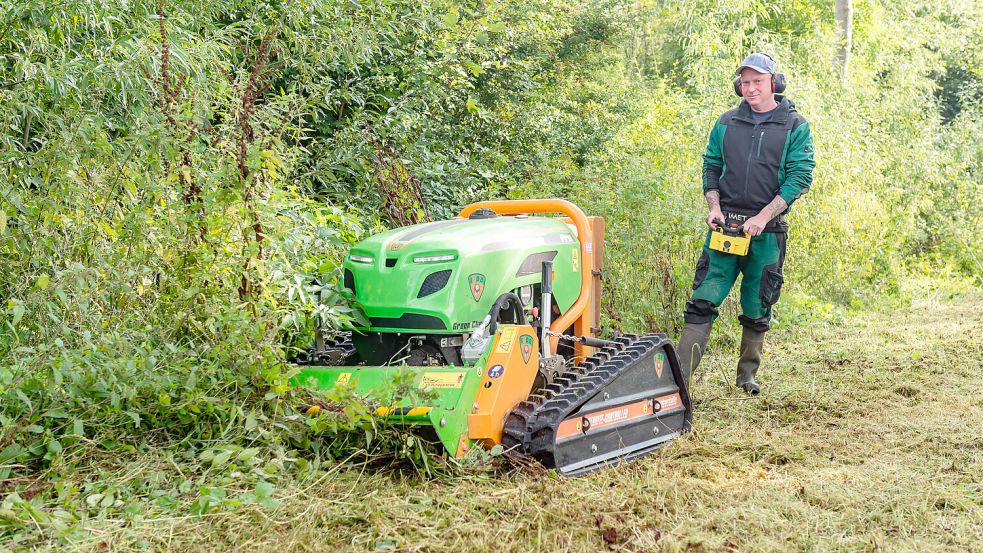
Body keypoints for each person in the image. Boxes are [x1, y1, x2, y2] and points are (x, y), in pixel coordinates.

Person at [677, 53, 815, 394]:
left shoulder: (794, 126)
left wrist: (763, 217)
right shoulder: (727, 122)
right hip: (724, 230)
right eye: (745, 82)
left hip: (767, 234)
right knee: (702, 300)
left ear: (775, 83)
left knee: (758, 305)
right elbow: (711, 165)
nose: (750, 88)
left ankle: (746, 376)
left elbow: (800, 177)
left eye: (757, 81)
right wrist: (714, 207)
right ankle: (677, 381)